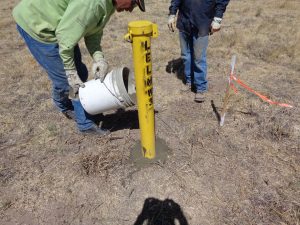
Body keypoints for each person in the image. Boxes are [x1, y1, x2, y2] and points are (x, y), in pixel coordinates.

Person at [12, 0, 145, 135]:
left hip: (61, 27)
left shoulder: (109, 4)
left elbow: (94, 32)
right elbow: (65, 38)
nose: (131, 10)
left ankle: (73, 105)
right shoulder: (89, 4)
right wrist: (70, 73)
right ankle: (83, 123)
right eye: (133, 4)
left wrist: (99, 58)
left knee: (80, 72)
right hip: (37, 23)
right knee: (67, 82)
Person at [168, 0, 230, 102]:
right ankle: (189, 80)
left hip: (202, 22)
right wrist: (172, 13)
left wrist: (218, 18)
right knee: (185, 55)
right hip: (184, 21)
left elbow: (222, 1)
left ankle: (200, 87)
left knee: (199, 58)